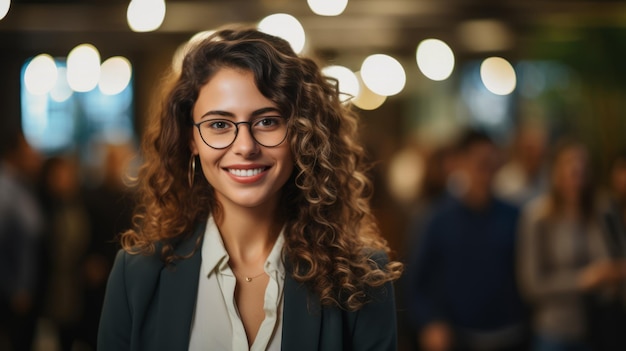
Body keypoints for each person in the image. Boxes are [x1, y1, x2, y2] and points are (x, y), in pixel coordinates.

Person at [97, 26, 403, 351]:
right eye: (219, 124)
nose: (245, 146)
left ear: (302, 133)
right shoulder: (137, 276)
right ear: (191, 139)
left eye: (267, 121)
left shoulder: (360, 279)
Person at [405, 130, 528, 351]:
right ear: (460, 163)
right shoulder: (436, 219)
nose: (485, 171)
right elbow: (417, 280)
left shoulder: (515, 216)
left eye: (491, 163)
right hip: (458, 337)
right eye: (479, 163)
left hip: (510, 335)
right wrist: (430, 322)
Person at [517, 140, 626, 351]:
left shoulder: (601, 211)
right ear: (555, 169)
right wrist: (583, 280)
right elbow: (530, 285)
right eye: (569, 161)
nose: (577, 168)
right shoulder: (537, 217)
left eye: (583, 162)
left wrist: (611, 274)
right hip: (555, 331)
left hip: (599, 328)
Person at [0, 132, 45, 351]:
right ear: (15, 155)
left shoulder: (24, 185)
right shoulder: (5, 189)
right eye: (29, 153)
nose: (36, 157)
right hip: (13, 295)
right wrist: (15, 288)